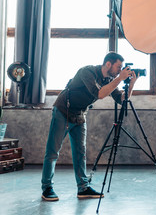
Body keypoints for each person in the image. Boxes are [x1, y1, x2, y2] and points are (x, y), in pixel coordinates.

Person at [41, 52, 138, 201]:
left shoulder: (110, 79)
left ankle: (83, 188)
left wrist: (131, 85)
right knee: (53, 151)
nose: (120, 70)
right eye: (118, 67)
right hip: (63, 111)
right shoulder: (87, 72)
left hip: (80, 115)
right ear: (108, 64)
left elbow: (121, 99)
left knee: (80, 153)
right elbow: (99, 94)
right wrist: (120, 79)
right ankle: (47, 187)